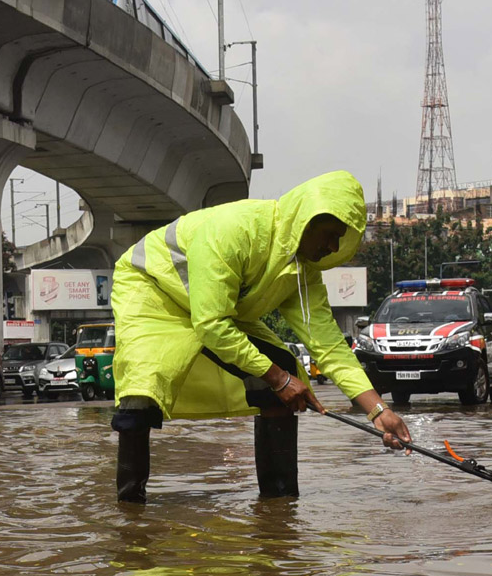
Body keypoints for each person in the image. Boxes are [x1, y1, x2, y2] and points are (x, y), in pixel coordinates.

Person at [111, 170, 411, 503]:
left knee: (283, 366)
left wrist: (380, 411)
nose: (333, 247)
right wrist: (279, 380)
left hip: (217, 309)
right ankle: (131, 509)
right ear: (305, 220)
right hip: (153, 292)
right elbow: (211, 325)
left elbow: (328, 346)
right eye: (328, 234)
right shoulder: (233, 232)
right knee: (141, 392)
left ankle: (279, 507)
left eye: (340, 239)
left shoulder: (303, 271)